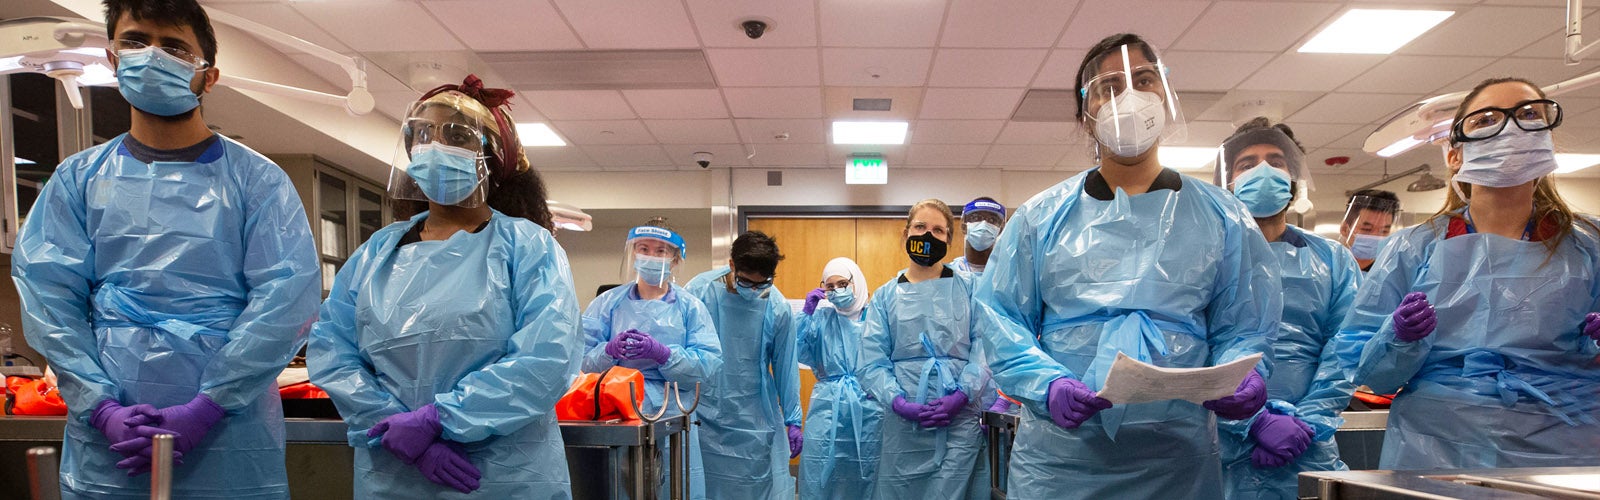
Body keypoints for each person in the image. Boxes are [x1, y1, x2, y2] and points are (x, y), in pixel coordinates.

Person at [9, 0, 322, 497]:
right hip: (109, 441)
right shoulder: (78, 180)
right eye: (135, 42)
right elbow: (50, 305)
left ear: (208, 76)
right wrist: (101, 408)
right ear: (113, 59)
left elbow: (285, 303)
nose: (152, 56)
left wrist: (208, 407)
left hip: (228, 436)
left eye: (174, 47)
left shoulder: (257, 182)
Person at [974, 33, 1281, 499]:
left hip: (1178, 460)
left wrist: (1243, 375)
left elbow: (1246, 323)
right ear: (1086, 112)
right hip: (1064, 461)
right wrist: (1047, 384)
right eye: (1109, 87)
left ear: (1166, 94)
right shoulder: (1041, 217)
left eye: (1144, 80)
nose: (1129, 98)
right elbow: (1000, 318)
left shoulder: (1223, 216)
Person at [306, 76, 580, 498]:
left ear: (490, 155)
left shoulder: (528, 247)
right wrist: (390, 424)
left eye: (456, 136)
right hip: (393, 468)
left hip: (503, 477)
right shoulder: (376, 254)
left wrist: (436, 420)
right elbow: (332, 351)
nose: (435, 146)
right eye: (423, 135)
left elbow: (546, 359)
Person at [1335, 77, 1600, 470]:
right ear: (1454, 154)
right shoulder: (1415, 247)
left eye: (1529, 115)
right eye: (1487, 120)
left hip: (1564, 446)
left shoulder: (1588, 244)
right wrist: (1399, 338)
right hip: (1438, 445)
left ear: (1547, 138)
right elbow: (1373, 374)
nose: (1510, 129)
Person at [1217, 118, 1360, 499]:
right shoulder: (1207, 257)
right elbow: (1193, 352)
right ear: (1228, 181)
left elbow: (1346, 347)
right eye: (1247, 164)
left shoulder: (1332, 259)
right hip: (1221, 445)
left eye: (1276, 161)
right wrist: (1251, 422)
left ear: (1294, 177)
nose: (1262, 171)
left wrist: (1309, 422)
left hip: (1309, 445)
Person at [858, 199, 991, 500]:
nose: (928, 235)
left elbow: (984, 347)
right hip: (902, 428)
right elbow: (871, 361)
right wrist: (899, 403)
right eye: (920, 227)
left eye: (938, 230)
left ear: (949, 239)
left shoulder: (970, 288)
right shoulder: (885, 296)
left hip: (958, 423)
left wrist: (961, 395)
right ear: (905, 234)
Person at [582, 219, 722, 498]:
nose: (651, 256)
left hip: (673, 414)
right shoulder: (607, 304)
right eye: (644, 249)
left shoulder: (690, 308)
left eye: (661, 251)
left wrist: (665, 355)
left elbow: (708, 365)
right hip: (618, 413)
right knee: (621, 486)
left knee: (676, 486)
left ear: (675, 259)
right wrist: (609, 351)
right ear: (633, 252)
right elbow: (580, 361)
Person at [684, 231, 802, 499]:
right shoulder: (699, 292)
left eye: (762, 284)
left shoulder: (777, 306)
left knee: (753, 488)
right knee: (704, 487)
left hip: (753, 419)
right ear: (732, 265)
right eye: (746, 282)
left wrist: (794, 420)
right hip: (703, 414)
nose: (754, 291)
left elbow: (785, 367)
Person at [796, 257, 882, 499]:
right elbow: (794, 349)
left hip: (869, 407)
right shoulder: (821, 319)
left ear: (856, 283)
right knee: (821, 466)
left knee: (867, 469)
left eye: (842, 284)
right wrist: (806, 314)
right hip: (827, 406)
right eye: (830, 286)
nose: (836, 290)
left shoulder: (876, 318)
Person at [1338, 189, 1401, 272]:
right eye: (1367, 229)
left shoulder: (1389, 272)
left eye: (1384, 231)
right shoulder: (1327, 268)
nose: (1376, 236)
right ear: (1344, 229)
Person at [950, 198, 1007, 274]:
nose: (984, 224)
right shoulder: (949, 273)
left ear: (1000, 230)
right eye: (976, 218)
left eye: (992, 220)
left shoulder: (1006, 273)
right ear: (964, 227)